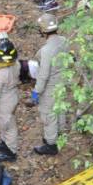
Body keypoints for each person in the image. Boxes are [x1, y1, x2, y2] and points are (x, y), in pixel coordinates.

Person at [31, 13, 68, 155]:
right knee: (60, 110)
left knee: (48, 114)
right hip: (62, 83)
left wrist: (37, 91)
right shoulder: (64, 41)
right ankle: (60, 134)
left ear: (42, 30)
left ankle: (51, 144)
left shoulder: (46, 51)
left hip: (50, 87)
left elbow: (43, 74)